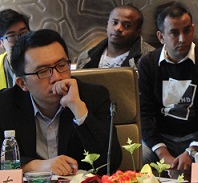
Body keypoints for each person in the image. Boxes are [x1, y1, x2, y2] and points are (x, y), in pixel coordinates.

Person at [0, 29, 122, 175]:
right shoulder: (5, 104)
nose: (57, 77)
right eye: (43, 71)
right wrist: (32, 165)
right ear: (22, 83)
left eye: (61, 65)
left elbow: (111, 163)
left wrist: (78, 108)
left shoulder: (94, 96)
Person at [139, 4, 198, 170]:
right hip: (162, 139)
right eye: (174, 33)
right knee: (138, 155)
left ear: (193, 29)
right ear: (161, 37)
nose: (182, 39)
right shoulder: (148, 64)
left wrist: (192, 151)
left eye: (187, 31)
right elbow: (144, 115)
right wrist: (162, 153)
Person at [75, 5, 155, 69]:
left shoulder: (150, 58)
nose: (118, 28)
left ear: (138, 32)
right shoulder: (86, 57)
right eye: (114, 22)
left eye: (126, 25)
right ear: (107, 24)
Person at [0, 9, 31, 89]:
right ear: (1, 43)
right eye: (11, 36)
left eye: (23, 33)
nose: (19, 40)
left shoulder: (44, 59)